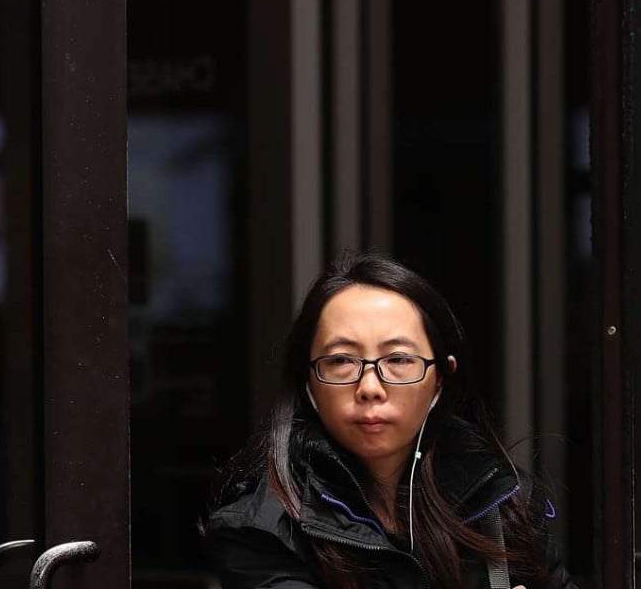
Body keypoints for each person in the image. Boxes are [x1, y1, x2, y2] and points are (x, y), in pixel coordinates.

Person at [205, 252, 577, 588]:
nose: (370, 387)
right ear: (309, 383)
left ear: (439, 381)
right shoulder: (263, 528)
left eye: (398, 360)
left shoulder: (503, 505)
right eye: (341, 361)